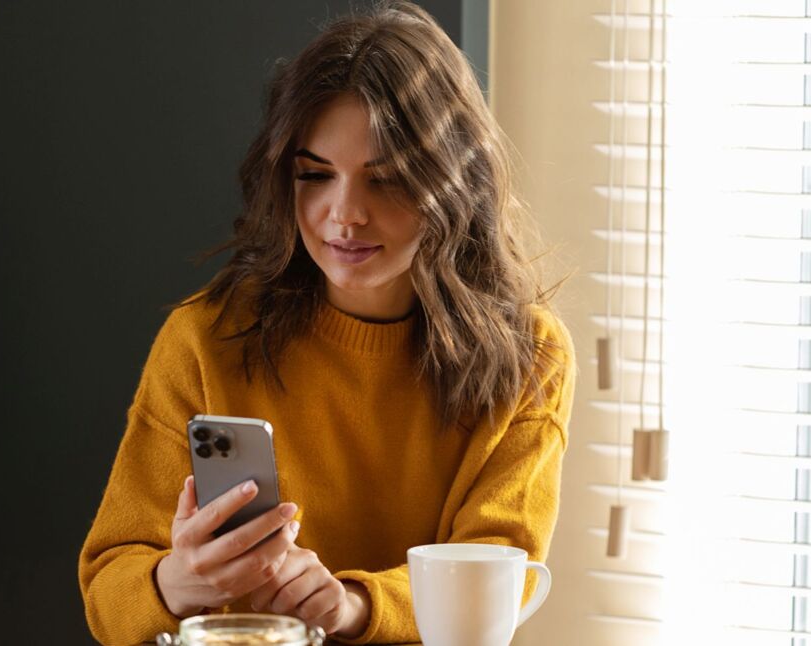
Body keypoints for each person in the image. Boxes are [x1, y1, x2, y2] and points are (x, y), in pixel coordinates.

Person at [78, 2, 576, 644]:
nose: (344, 215)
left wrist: (351, 606)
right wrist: (180, 581)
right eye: (316, 175)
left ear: (452, 182)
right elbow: (108, 591)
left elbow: (503, 578)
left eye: (386, 180)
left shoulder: (529, 355)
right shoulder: (205, 339)